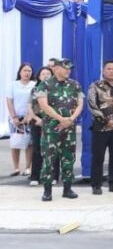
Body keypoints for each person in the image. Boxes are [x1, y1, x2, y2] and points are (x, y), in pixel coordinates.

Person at [34, 58, 85, 201]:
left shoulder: (75, 84)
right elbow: (43, 105)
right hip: (51, 129)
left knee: (69, 158)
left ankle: (67, 189)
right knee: (49, 159)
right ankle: (47, 190)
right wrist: (61, 119)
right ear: (55, 68)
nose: (68, 70)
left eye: (69, 68)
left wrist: (70, 119)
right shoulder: (44, 84)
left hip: (69, 128)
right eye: (65, 68)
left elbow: (80, 104)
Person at [87, 59, 113, 195]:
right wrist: (106, 121)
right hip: (101, 128)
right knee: (98, 157)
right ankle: (96, 184)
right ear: (103, 71)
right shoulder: (95, 86)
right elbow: (92, 106)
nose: (111, 71)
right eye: (108, 69)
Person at [6, 63, 36, 177]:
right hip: (15, 118)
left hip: (29, 117)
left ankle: (28, 167)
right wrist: (14, 117)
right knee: (15, 142)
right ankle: (16, 168)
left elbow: (35, 102)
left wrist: (29, 116)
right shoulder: (13, 85)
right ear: (20, 72)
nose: (27, 73)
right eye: (25, 70)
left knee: (29, 143)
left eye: (29, 71)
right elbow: (9, 101)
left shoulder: (34, 85)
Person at [27, 66, 53, 186]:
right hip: (37, 121)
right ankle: (35, 177)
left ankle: (52, 176)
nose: (46, 76)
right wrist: (37, 119)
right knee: (37, 149)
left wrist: (48, 120)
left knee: (52, 149)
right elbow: (30, 107)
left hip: (52, 120)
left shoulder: (55, 89)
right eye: (43, 74)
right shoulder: (34, 89)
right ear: (38, 76)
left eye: (48, 74)